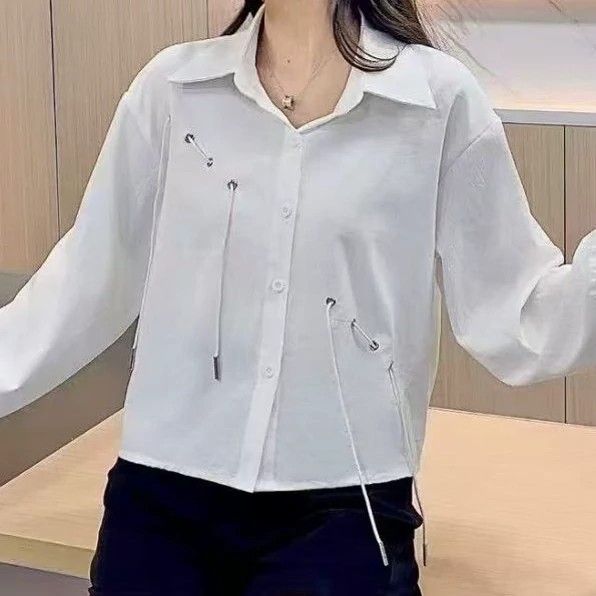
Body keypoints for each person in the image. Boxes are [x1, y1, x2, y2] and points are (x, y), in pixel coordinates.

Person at [1, 0, 596, 593]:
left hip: (345, 506)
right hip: (162, 496)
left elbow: (519, 312)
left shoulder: (435, 103)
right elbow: (83, 281)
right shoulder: (173, 90)